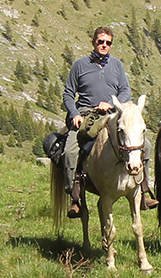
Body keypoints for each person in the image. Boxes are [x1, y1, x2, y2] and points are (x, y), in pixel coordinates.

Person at [61, 26, 154, 217]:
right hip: (87, 113)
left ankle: (144, 188)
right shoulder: (80, 65)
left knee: (147, 145)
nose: (104, 45)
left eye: (108, 42)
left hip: (113, 113)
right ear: (93, 42)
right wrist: (74, 114)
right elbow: (69, 93)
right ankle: (75, 196)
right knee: (70, 151)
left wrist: (114, 103)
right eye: (100, 41)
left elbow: (125, 91)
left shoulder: (116, 65)